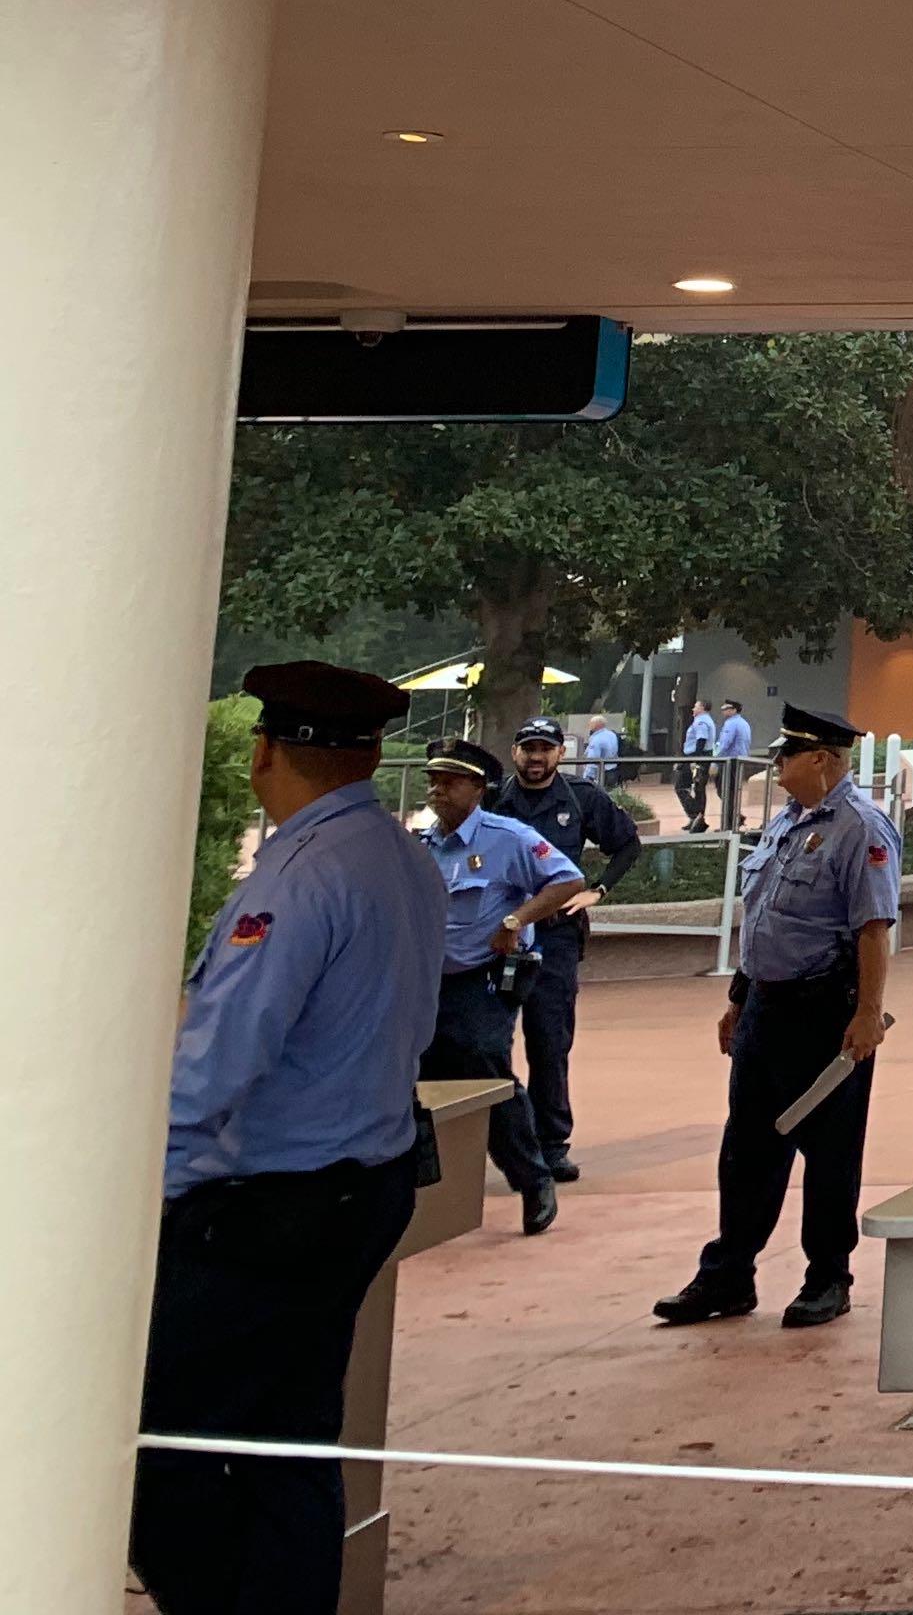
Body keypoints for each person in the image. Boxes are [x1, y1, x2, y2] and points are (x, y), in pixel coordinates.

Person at [136, 663, 443, 1615]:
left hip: (270, 1208)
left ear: (269, 751)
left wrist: (152, 1188)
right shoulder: (400, 857)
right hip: (360, 1184)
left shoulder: (301, 877)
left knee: (160, 1451)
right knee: (292, 1442)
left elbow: (219, 1061)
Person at [654, 704, 901, 1329]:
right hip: (766, 1006)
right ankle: (729, 1275)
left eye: (786, 755)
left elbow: (874, 931)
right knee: (746, 1149)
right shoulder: (785, 824)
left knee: (830, 1153)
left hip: (825, 1011)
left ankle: (828, 1278)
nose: (777, 765)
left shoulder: (861, 829)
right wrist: (738, 999)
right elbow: (763, 919)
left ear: (822, 759)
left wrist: (868, 1013)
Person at [417, 738, 586, 1234]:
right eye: (433, 780)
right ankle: (427, 1188)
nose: (436, 790)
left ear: (477, 787)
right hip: (433, 981)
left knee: (482, 1064)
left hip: (486, 976)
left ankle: (532, 1179)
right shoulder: (426, 845)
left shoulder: (506, 836)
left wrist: (517, 918)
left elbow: (568, 879)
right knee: (420, 1072)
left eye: (448, 781)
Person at [492, 714, 643, 1181]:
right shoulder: (495, 799)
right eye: (528, 748)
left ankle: (551, 1145)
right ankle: (499, 1139)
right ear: (515, 752)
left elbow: (627, 844)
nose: (536, 758)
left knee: (549, 1040)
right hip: (499, 936)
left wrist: (599, 890)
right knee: (485, 1041)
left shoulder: (581, 798)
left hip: (554, 935)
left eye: (545, 749)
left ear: (560, 753)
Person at [711, 695, 757, 832]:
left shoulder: (731, 724)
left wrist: (715, 761)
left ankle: (729, 823)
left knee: (725, 791)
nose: (723, 711)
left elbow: (725, 744)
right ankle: (735, 818)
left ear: (734, 710)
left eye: (726, 708)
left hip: (729, 761)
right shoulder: (744, 723)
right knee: (731, 792)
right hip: (740, 761)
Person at [678, 698, 717, 829]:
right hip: (700, 756)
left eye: (696, 707)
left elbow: (701, 740)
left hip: (696, 757)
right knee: (699, 789)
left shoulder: (701, 721)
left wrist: (694, 760)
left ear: (702, 708)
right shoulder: (705, 720)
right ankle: (697, 819)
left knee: (681, 787)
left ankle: (695, 814)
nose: (693, 709)